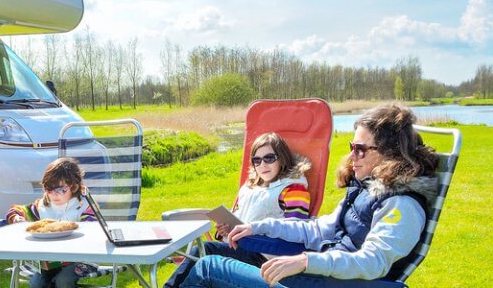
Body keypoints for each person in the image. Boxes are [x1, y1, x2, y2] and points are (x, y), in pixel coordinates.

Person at [178, 104, 440, 288]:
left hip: (336, 283)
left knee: (210, 267)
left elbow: (373, 263)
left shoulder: (402, 205)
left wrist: (305, 262)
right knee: (208, 248)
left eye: (360, 149)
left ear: (390, 152)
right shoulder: (364, 189)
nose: (351, 156)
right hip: (320, 272)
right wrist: (256, 227)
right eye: (352, 147)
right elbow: (317, 229)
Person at [165, 132, 311, 287]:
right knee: (202, 255)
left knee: (205, 249)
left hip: (265, 256)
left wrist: (252, 234)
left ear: (281, 158)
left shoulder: (293, 189)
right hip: (241, 248)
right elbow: (239, 218)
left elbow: (295, 232)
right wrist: (224, 231)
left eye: (269, 158)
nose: (263, 165)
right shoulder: (250, 188)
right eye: (257, 160)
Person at [5, 157, 97, 288]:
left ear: (74, 186)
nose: (54, 194)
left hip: (81, 259)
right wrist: (16, 217)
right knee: (37, 283)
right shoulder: (42, 206)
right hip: (51, 261)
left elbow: (93, 228)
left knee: (63, 281)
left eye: (60, 189)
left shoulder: (85, 205)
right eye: (48, 188)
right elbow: (17, 210)